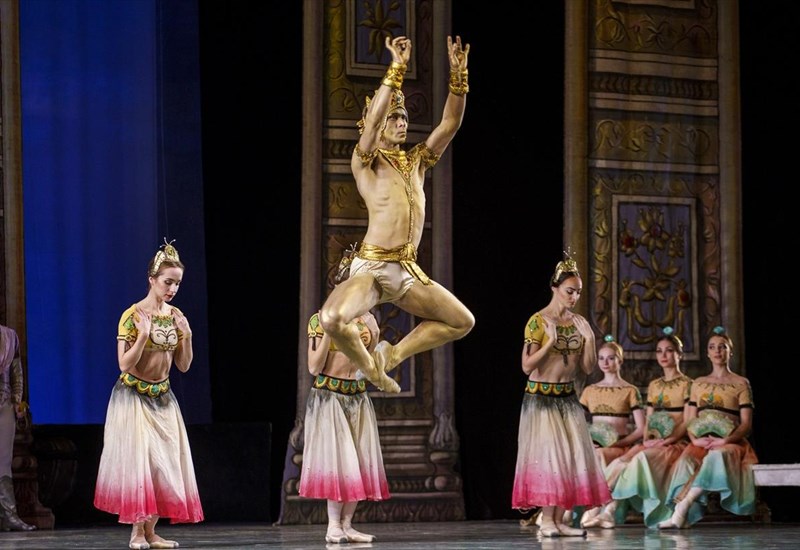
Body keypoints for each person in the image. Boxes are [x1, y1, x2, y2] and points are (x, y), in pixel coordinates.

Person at [318, 34, 475, 393]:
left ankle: (391, 356)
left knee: (461, 321)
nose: (402, 123)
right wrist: (396, 68)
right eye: (395, 117)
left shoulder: (417, 161)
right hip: (373, 268)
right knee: (332, 317)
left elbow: (450, 123)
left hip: (406, 271)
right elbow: (372, 123)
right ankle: (370, 370)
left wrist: (459, 77)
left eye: (404, 117)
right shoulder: (365, 161)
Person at [94, 240, 203, 550]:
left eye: (177, 283)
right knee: (140, 462)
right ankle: (137, 533)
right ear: (152, 279)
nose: (173, 289)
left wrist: (187, 336)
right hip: (133, 396)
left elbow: (183, 365)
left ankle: (152, 532)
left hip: (163, 397)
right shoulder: (133, 315)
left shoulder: (176, 315)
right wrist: (142, 336)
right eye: (168, 282)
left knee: (165, 463)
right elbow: (124, 364)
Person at [511, 252, 609, 538]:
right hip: (541, 399)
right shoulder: (538, 321)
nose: (574, 297)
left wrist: (590, 339)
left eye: (578, 292)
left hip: (567, 397)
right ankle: (547, 520)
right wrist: (550, 341)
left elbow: (587, 368)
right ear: (554, 288)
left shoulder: (579, 323)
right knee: (550, 458)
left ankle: (558, 520)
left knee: (569, 459)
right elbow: (526, 366)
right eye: (569, 291)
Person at [298, 301, 389, 544]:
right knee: (341, 461)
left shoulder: (365, 320)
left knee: (359, 461)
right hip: (330, 396)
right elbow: (314, 367)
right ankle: (333, 526)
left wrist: (375, 335)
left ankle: (347, 525)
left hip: (357, 396)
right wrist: (329, 330)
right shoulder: (320, 319)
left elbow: (369, 369)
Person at [589, 328, 693, 528]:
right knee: (621, 461)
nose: (663, 355)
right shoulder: (654, 385)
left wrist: (668, 440)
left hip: (675, 442)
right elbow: (649, 421)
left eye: (669, 350)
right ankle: (601, 508)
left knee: (640, 458)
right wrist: (646, 440)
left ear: (679, 354)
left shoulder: (689, 384)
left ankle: (607, 510)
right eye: (659, 351)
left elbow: (687, 421)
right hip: (653, 442)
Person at [657, 326, 757, 529]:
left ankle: (682, 507)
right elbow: (691, 419)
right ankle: (682, 515)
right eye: (712, 347)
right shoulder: (699, 383)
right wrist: (695, 439)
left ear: (730, 352)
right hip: (701, 441)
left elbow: (746, 424)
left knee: (717, 456)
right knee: (685, 461)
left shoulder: (741, 383)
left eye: (722, 347)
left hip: (730, 442)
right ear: (708, 353)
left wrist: (725, 440)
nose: (717, 351)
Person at [577, 335, 645, 529]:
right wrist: (587, 440)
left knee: (601, 455)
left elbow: (641, 428)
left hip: (619, 446)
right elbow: (577, 422)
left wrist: (619, 443)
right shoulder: (590, 390)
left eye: (610, 358)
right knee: (590, 454)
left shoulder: (629, 390)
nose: (605, 362)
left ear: (620, 360)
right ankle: (592, 510)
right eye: (601, 358)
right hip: (595, 445)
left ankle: (598, 509)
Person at [0, 324, 36, 531]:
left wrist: (16, 400)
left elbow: (17, 372)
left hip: (4, 402)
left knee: (4, 462)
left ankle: (10, 515)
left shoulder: (9, 336)